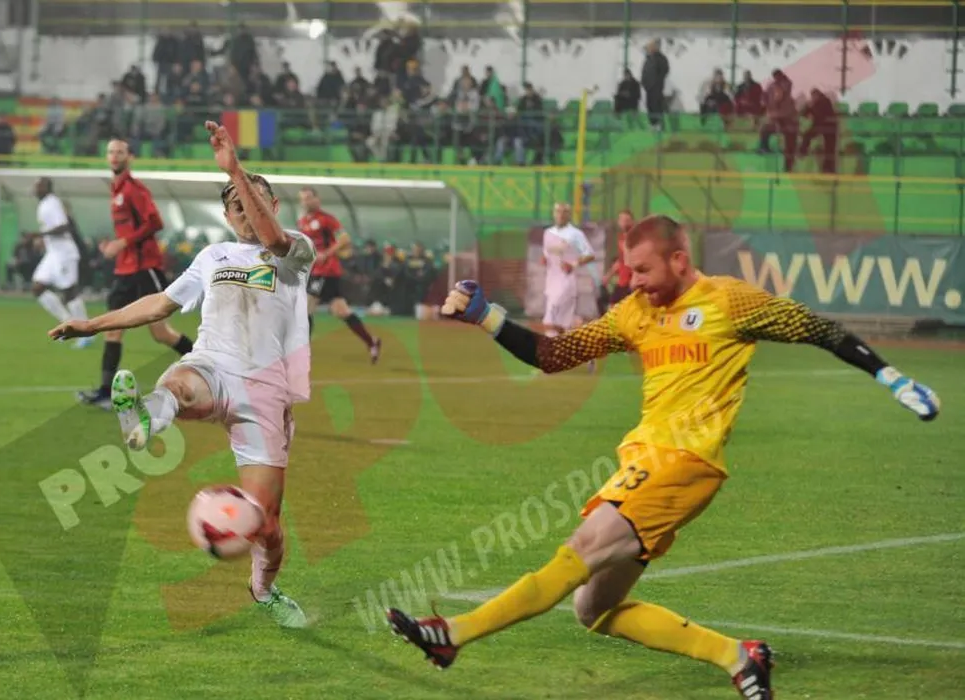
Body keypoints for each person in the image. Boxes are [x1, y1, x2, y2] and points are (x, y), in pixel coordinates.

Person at [385, 214, 940, 700]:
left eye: (644, 270)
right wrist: (487, 315)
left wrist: (889, 377)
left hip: (685, 461)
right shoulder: (635, 313)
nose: (634, 282)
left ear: (679, 260)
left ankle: (452, 634)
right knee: (593, 610)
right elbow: (556, 354)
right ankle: (738, 657)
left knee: (578, 551)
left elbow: (815, 328)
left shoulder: (728, 301)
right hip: (643, 463)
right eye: (630, 271)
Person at [49, 121, 314, 628]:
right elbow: (161, 304)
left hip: (265, 391)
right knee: (178, 384)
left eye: (253, 201)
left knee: (267, 524)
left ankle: (264, 589)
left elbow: (274, 238)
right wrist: (93, 323)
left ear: (273, 205)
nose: (245, 211)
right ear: (226, 216)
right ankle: (143, 419)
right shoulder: (213, 256)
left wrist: (235, 172)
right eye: (236, 206)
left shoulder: (295, 251)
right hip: (212, 365)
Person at [76, 138, 194, 409]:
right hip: (124, 269)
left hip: (145, 268)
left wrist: (122, 243)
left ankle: (211, 368)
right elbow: (128, 230)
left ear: (130, 157)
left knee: (161, 333)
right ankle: (105, 392)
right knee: (112, 330)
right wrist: (114, 245)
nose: (115, 156)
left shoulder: (134, 189)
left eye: (120, 152)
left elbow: (155, 223)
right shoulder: (116, 190)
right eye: (111, 152)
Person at [297, 187, 382, 363]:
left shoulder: (327, 219)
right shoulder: (302, 222)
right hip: (317, 271)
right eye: (303, 199)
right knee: (341, 311)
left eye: (309, 198)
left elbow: (344, 239)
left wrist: (326, 254)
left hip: (326, 271)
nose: (306, 202)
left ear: (317, 199)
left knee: (306, 307)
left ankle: (302, 354)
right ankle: (371, 342)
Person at [30, 177, 92, 348]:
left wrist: (42, 235)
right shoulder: (44, 204)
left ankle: (86, 332)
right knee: (37, 288)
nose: (35, 189)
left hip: (65, 253)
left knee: (69, 292)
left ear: (46, 188)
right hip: (53, 254)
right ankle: (67, 322)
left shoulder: (52, 203)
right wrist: (44, 239)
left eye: (38, 186)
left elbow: (64, 226)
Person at [540, 202, 595, 337]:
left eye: (564, 212)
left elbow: (590, 255)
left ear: (569, 215)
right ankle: (576, 332)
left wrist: (573, 264)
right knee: (559, 325)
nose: (561, 215)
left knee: (551, 320)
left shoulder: (575, 234)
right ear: (553, 214)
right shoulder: (548, 233)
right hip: (551, 283)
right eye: (558, 211)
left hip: (566, 283)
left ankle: (557, 343)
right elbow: (547, 254)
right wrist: (544, 259)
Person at [600, 209, 634, 307]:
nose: (624, 223)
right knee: (613, 306)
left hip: (631, 280)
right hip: (622, 280)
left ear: (632, 221)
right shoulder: (621, 237)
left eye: (627, 220)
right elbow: (621, 260)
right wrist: (608, 275)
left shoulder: (635, 237)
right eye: (622, 220)